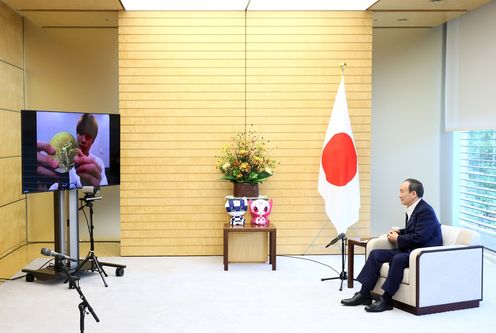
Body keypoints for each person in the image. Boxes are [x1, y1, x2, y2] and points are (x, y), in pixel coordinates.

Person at [341, 178, 442, 312]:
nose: (399, 195)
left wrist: (398, 238)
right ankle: (364, 294)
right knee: (375, 254)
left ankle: (386, 299)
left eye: (402, 191)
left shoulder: (425, 211)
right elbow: (415, 231)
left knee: (397, 259)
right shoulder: (413, 208)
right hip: (410, 250)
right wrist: (400, 231)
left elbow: (420, 237)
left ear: (413, 194)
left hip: (421, 252)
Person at [38, 113, 108, 190]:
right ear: (76, 134)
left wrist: (95, 187)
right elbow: (56, 184)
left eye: (88, 136)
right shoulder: (64, 159)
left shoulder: (98, 163)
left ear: (93, 141)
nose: (83, 140)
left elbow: (104, 191)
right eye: (81, 133)